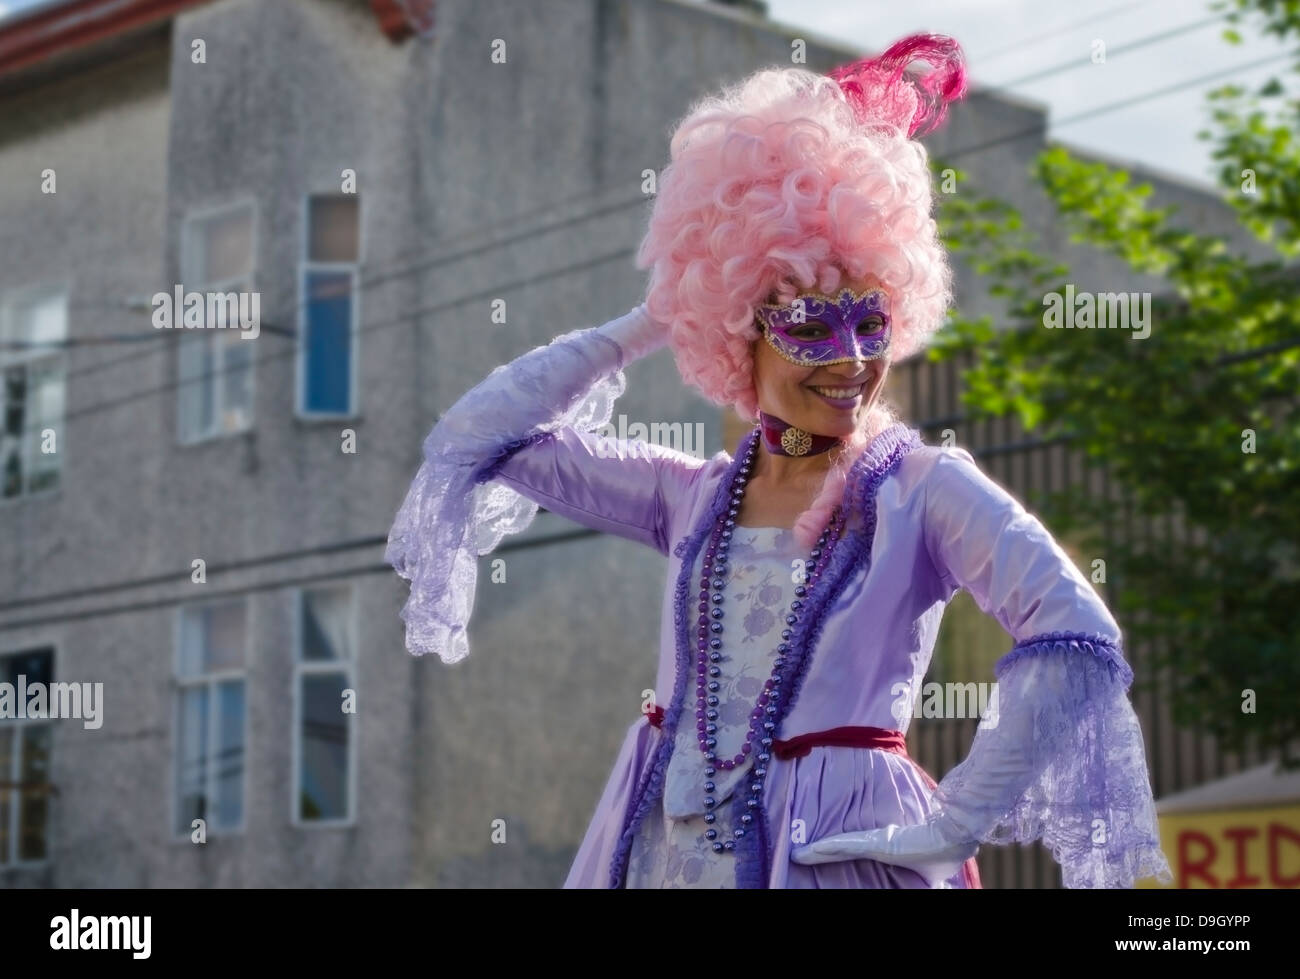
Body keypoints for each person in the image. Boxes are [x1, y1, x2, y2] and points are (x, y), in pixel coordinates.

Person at [385, 33, 1173, 889]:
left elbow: (1077, 628)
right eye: (808, 326)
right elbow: (477, 436)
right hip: (662, 852)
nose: (851, 361)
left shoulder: (923, 492)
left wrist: (958, 818)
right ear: (738, 335)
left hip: (841, 854)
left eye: (869, 323)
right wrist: (646, 323)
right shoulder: (689, 497)